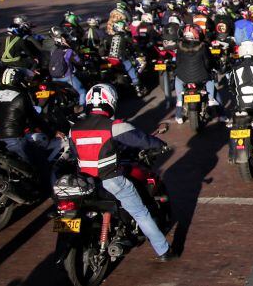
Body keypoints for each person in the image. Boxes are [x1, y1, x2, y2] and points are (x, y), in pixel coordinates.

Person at [69, 84, 176, 261]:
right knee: (141, 213)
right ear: (111, 102)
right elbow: (142, 140)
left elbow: (75, 153)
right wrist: (161, 145)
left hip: (86, 182)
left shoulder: (74, 129)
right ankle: (164, 251)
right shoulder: (114, 126)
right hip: (111, 180)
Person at [0, 66, 63, 189]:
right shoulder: (21, 96)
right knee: (40, 161)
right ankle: (45, 190)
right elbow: (34, 119)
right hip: (13, 139)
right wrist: (52, 132)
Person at [172, 25, 220, 124]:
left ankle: (180, 103)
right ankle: (211, 100)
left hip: (183, 76)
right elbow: (207, 62)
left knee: (178, 80)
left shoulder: (180, 46)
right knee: (210, 79)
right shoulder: (203, 46)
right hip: (201, 76)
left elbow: (178, 62)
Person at [49, 27, 87, 106]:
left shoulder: (53, 51)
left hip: (54, 78)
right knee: (82, 92)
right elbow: (79, 62)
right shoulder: (69, 51)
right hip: (67, 77)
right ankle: (82, 110)